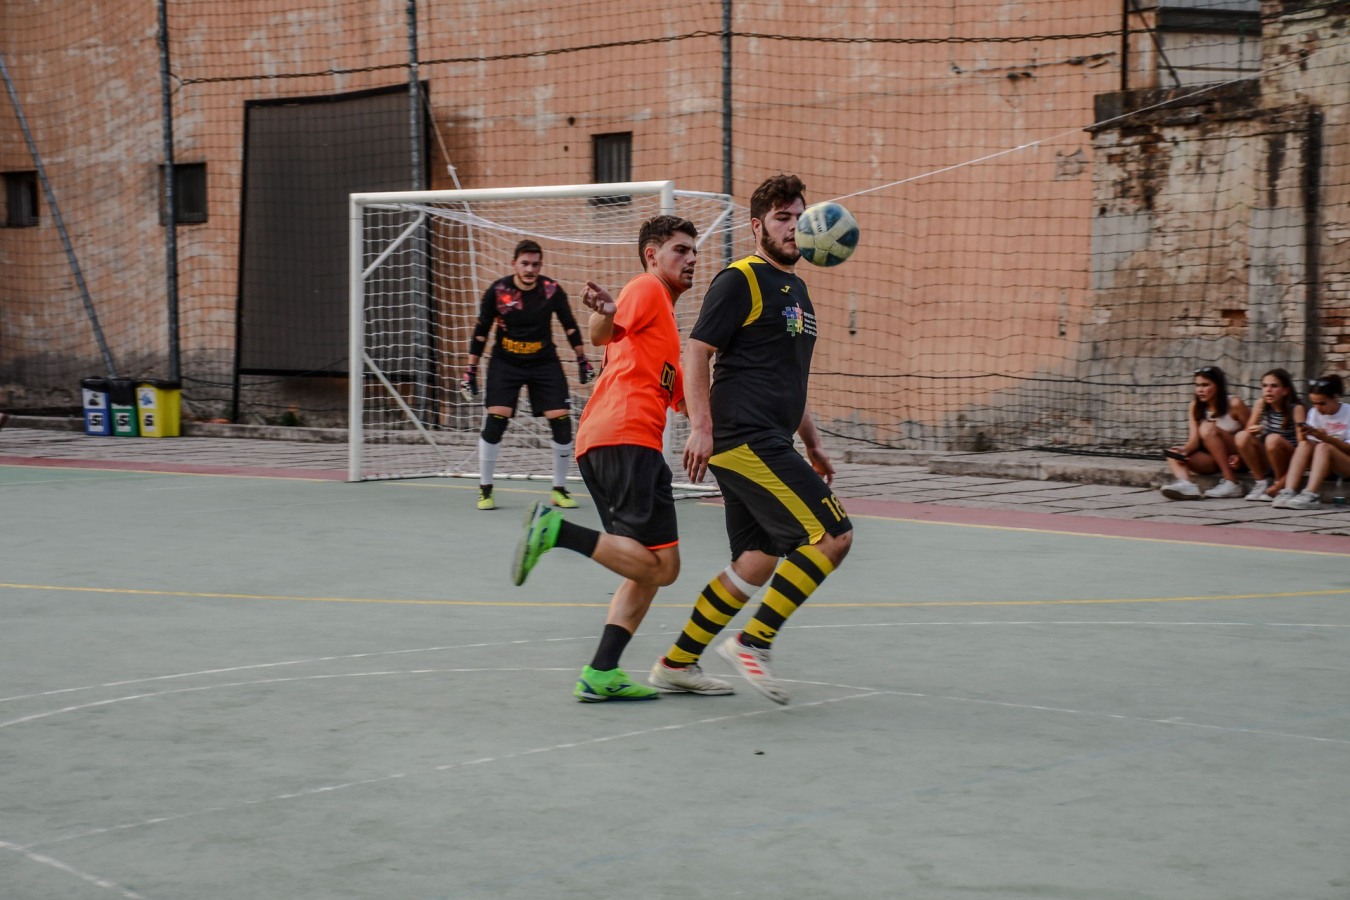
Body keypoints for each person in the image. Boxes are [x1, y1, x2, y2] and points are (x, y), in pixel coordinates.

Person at [654, 174, 853, 706]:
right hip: (743, 437)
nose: (794, 227)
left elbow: (790, 379)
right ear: (756, 226)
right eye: (782, 218)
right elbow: (697, 351)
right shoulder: (740, 278)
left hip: (768, 438)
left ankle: (677, 662)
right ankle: (753, 642)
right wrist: (700, 426)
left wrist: (813, 443)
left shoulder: (799, 291)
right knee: (833, 536)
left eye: (800, 217)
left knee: (758, 557)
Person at [510, 216, 707, 702]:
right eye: (681, 250)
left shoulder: (665, 327)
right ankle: (556, 530)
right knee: (663, 567)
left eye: (694, 251)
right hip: (626, 437)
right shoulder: (647, 288)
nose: (692, 259)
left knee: (647, 566)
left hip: (612, 441)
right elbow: (603, 329)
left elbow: (687, 401)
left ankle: (601, 672)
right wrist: (604, 310)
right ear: (652, 255)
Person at [460, 239, 594, 511]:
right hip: (506, 361)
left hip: (543, 360)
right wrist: (470, 370)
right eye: (525, 264)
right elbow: (481, 331)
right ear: (514, 264)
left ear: (540, 266)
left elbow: (569, 325)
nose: (530, 269)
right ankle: (485, 489)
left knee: (562, 420)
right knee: (496, 419)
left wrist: (582, 360)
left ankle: (559, 489)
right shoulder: (498, 291)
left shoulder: (551, 289)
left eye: (535, 264)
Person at [1160, 365, 1250, 500]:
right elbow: (1194, 440)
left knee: (1207, 428)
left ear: (1218, 386)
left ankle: (1232, 482)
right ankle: (1186, 485)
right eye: (1197, 385)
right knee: (1173, 453)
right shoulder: (1195, 406)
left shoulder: (1234, 403)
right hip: (1213, 459)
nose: (1200, 390)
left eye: (1205, 385)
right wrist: (1185, 450)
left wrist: (1240, 456)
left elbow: (1252, 434)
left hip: (1237, 458)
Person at [1271, 374, 1350, 510]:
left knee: (1324, 447)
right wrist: (1303, 436)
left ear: (1335, 397)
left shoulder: (1348, 412)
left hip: (1345, 464)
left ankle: (1310, 494)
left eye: (1322, 403)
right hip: (1323, 464)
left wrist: (1327, 439)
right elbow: (1309, 446)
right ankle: (1288, 491)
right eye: (1314, 403)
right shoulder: (1314, 412)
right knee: (1305, 444)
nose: (1317, 408)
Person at [1235, 368, 1305, 501]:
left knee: (1272, 439)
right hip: (1268, 456)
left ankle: (1279, 485)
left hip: (1290, 459)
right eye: (1265, 386)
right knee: (1241, 436)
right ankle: (1260, 483)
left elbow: (1303, 447)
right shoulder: (1261, 404)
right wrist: (1255, 429)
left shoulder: (1296, 408)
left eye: (1274, 386)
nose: (1268, 390)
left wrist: (1280, 483)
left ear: (1285, 390)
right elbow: (1248, 432)